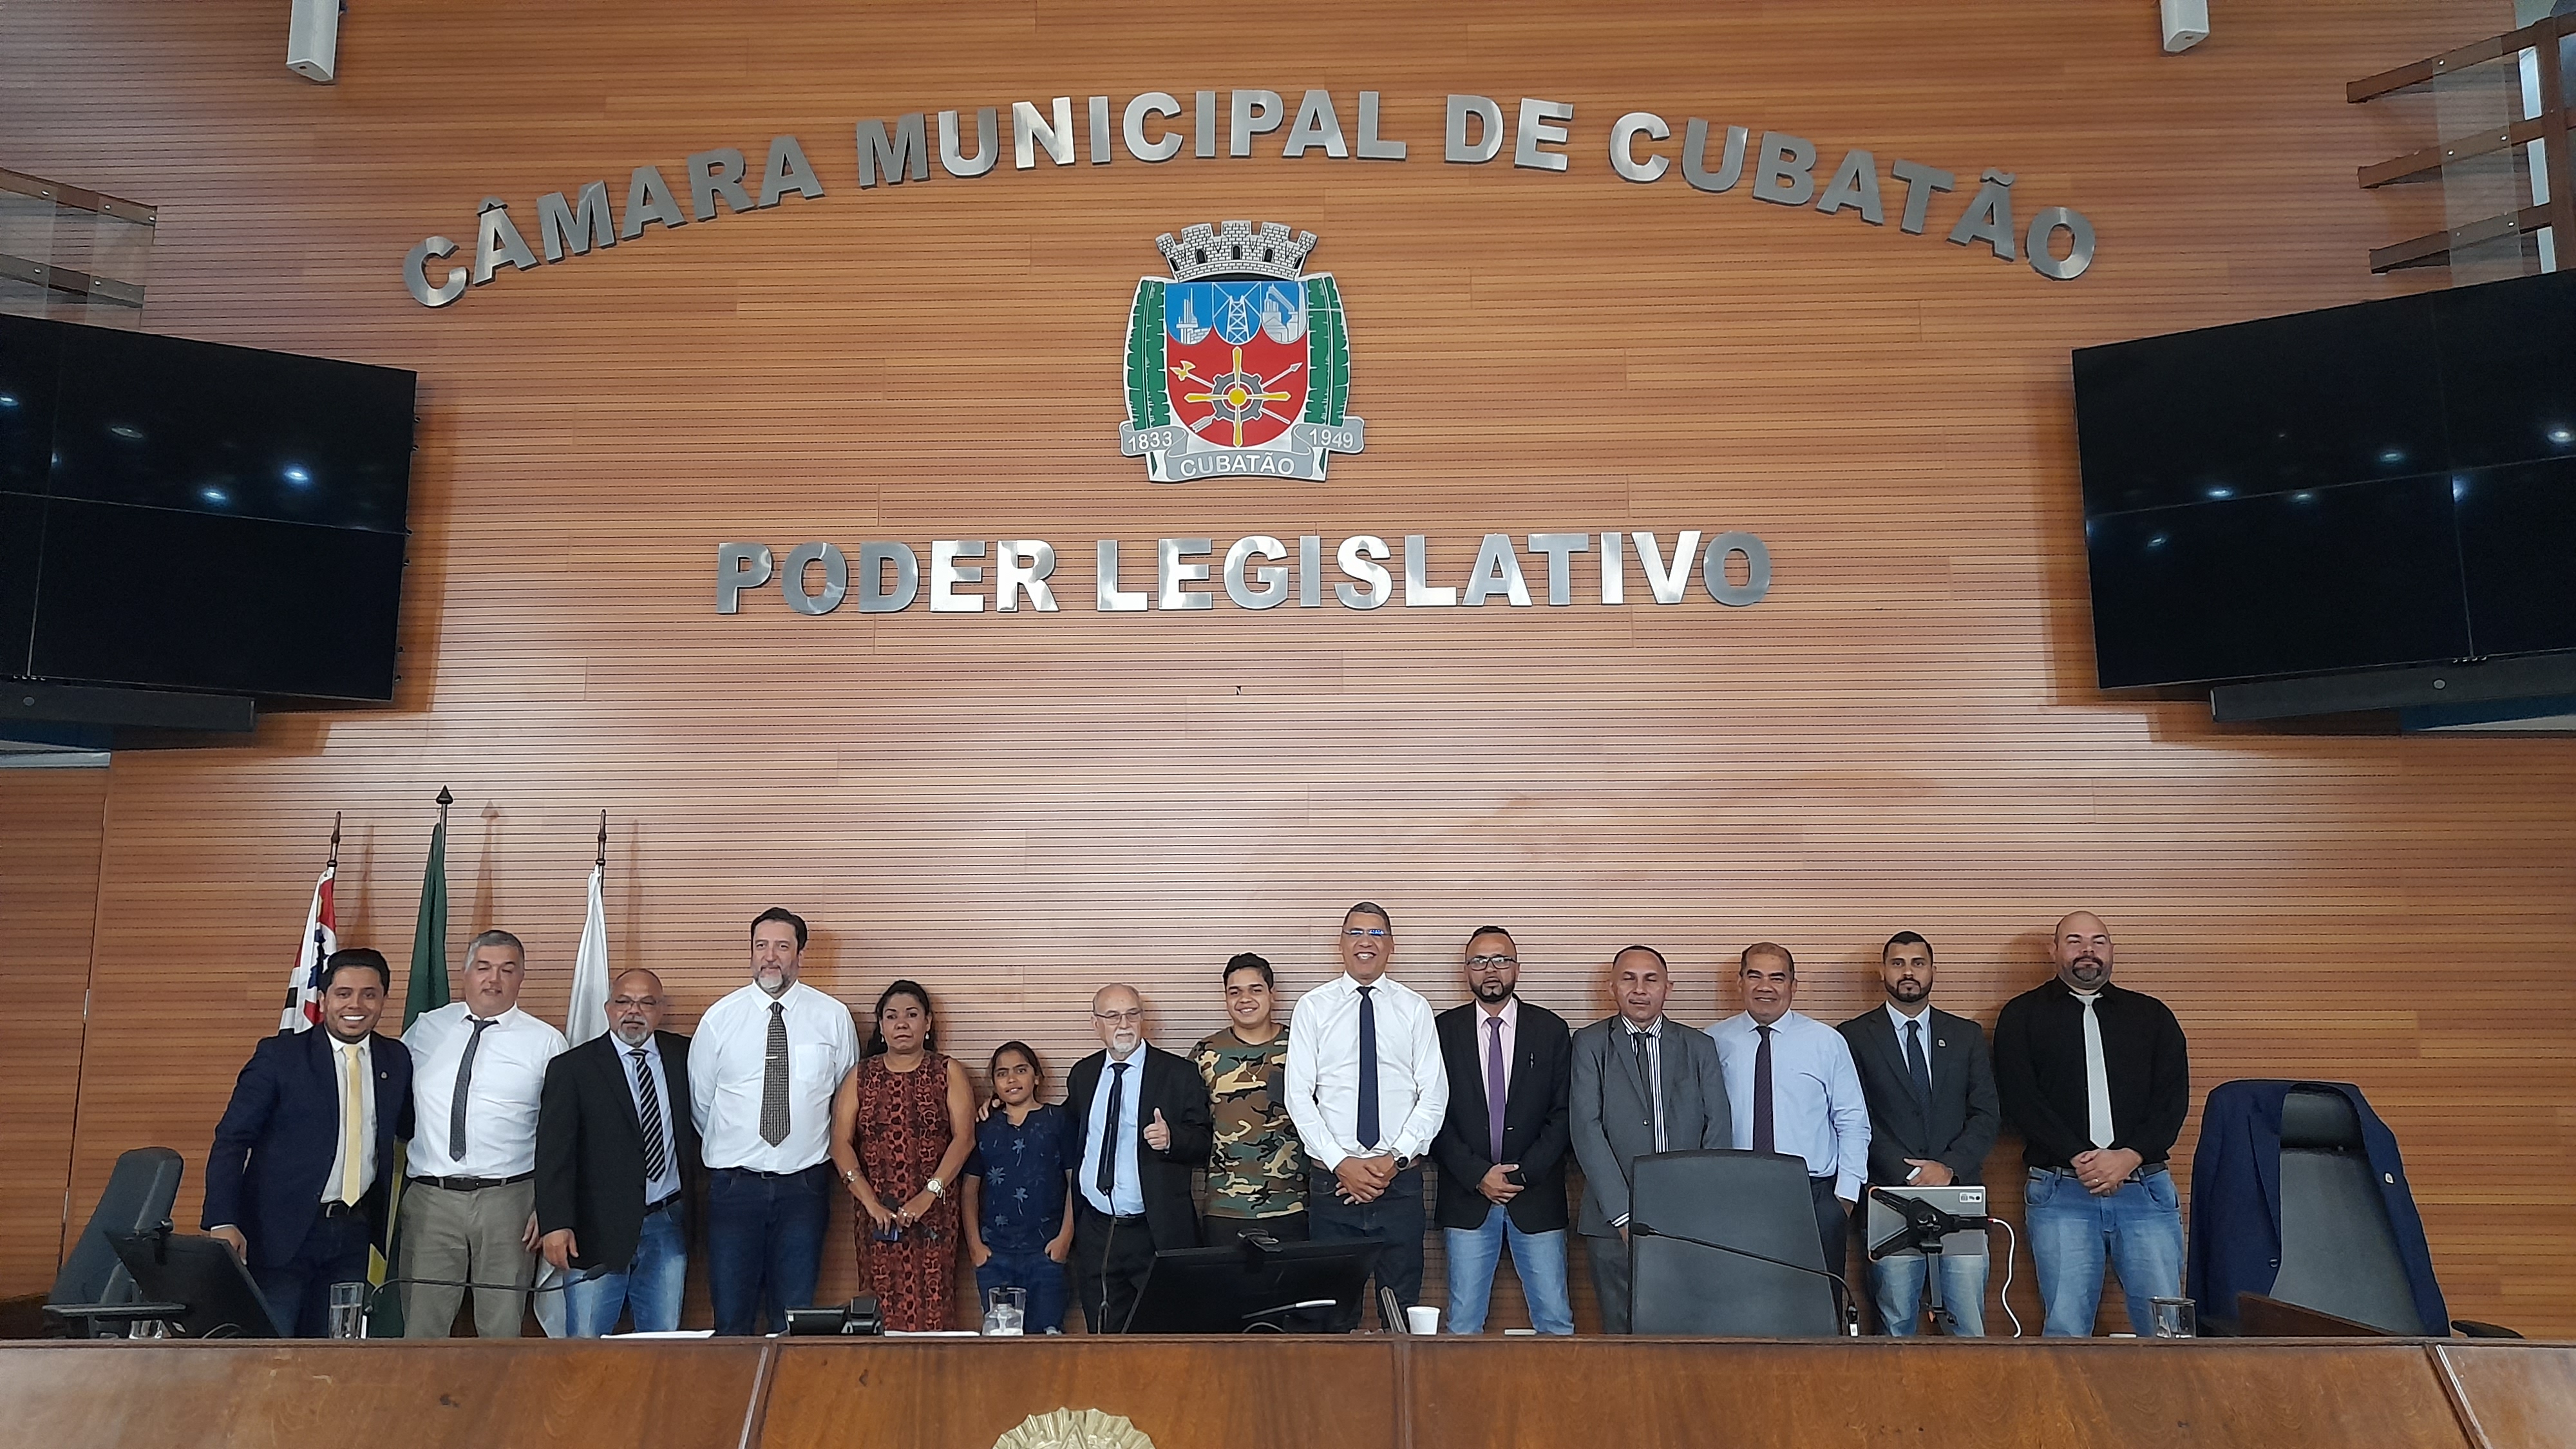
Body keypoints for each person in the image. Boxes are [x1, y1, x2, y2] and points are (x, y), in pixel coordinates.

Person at [1993, 911, 2190, 1337]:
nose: (2088, 950)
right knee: (2065, 1328)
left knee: (2168, 1329)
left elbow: (2172, 1101)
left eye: (2099, 941)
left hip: (2146, 1192)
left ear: (2112, 951)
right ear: (2054, 951)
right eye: (2075, 940)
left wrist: (2128, 1157)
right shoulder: (2021, 1016)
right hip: (2061, 1191)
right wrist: (2082, 1158)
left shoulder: (2153, 1016)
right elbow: (2020, 1101)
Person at [204, 948, 415, 1337]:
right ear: (323, 999)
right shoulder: (279, 1057)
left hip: (354, 1237)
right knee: (269, 1353)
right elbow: (232, 1140)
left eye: (369, 994)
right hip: (279, 1236)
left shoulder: (396, 1059)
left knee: (333, 1355)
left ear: (384, 1000)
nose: (356, 1004)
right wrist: (223, 1220)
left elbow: (408, 1133)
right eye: (344, 993)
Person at [688, 907, 860, 1336]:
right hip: (734, 1188)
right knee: (731, 1317)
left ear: (800, 954)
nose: (770, 956)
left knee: (795, 1319)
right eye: (761, 946)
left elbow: (845, 1102)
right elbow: (701, 1104)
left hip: (803, 1188)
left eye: (782, 946)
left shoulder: (833, 1017)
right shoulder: (720, 1019)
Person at [1285, 901, 1448, 1331]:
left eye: (1376, 934)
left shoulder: (1414, 1008)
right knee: (1330, 1316)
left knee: (1403, 1314)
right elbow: (1299, 1097)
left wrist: (1391, 1162)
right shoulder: (1313, 1007)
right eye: (1356, 932)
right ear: (1341, 944)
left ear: (1391, 946)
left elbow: (1434, 1095)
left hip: (1400, 1186)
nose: (1365, 942)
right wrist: (1344, 1164)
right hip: (1331, 1186)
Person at [400, 929, 569, 1338]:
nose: (494, 979)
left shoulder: (546, 1042)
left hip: (509, 1203)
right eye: (484, 968)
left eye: (507, 970)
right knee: (422, 1331)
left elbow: (561, 1134)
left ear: (521, 977)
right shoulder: (425, 1030)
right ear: (465, 972)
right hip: (430, 1201)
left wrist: (548, 1205)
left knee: (501, 1331)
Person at [1835, 932, 2001, 1335]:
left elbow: (1986, 1114)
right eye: (1898, 963)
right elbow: (1855, 1117)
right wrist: (1908, 1172)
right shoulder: (1853, 1036)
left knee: (1968, 1320)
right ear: (1882, 971)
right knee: (1896, 1319)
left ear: (1932, 971)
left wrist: (1948, 1168)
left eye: (1917, 963)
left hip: (1958, 1194)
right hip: (1890, 1194)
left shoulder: (1965, 1035)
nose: (1908, 972)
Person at [1567, 944, 1730, 1332]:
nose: (1640, 989)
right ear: (1612, 988)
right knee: (1620, 1331)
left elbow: (1718, 1128)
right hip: (1610, 1221)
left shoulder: (1699, 1046)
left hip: (1688, 1218)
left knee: (1688, 1328)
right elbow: (1586, 1129)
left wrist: (1692, 1208)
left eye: (1650, 979)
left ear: (1668, 988)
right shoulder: (1590, 1044)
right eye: (1629, 979)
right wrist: (1623, 1214)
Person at [535, 967, 699, 1336]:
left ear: (660, 1011)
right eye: (623, 1002)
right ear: (608, 1009)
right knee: (587, 1346)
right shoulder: (572, 1069)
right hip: (595, 1230)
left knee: (662, 1344)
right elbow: (554, 1155)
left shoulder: (684, 1057)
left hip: (666, 1225)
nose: (633, 1011)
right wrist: (555, 1222)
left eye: (646, 1003)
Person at [1430, 925, 1574, 1336]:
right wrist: (1478, 1176)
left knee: (1555, 1319)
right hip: (1467, 1195)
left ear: (1517, 967)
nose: (1490, 970)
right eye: (1478, 961)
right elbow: (1432, 1114)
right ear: (1466, 971)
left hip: (1537, 1195)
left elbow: (1564, 1113)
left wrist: (1520, 1175)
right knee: (1463, 1323)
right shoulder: (1443, 1031)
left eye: (1501, 960)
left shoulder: (1550, 1029)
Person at [1710, 942, 1871, 1281]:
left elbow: (1853, 1121)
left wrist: (1845, 1198)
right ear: (1739, 982)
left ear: (1793, 986)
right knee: (1742, 1299)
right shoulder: (1712, 1041)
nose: (1764, 987)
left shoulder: (1825, 1041)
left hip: (1812, 1193)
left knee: (1817, 1307)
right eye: (1754, 976)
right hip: (1735, 1192)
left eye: (1777, 978)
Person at [829, 979, 977, 1332]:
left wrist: (929, 1194)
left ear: (928, 1023)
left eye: (912, 1015)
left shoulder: (947, 1071)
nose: (902, 1024)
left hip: (935, 1215)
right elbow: (839, 1142)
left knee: (934, 1309)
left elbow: (965, 1139)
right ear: (881, 1026)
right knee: (877, 1309)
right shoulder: (860, 1076)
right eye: (892, 1016)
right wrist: (870, 1202)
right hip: (876, 1214)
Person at [1065, 983, 1212, 1332]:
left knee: (1167, 1335)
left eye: (1133, 1014)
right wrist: (996, 1107)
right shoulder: (1083, 1075)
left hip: (1155, 1229)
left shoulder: (1177, 1073)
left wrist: (1172, 1139)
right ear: (1095, 1023)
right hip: (1097, 1229)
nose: (1124, 1024)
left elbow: (1205, 1141)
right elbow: (1069, 1133)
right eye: (1113, 1016)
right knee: (1103, 1336)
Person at [1189, 952, 1307, 1247]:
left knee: (1295, 1294)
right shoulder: (1206, 1053)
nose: (1245, 999)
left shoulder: (1302, 1047)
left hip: (1294, 1205)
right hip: (1225, 1209)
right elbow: (1191, 1126)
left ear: (1272, 994)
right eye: (1235, 992)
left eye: (1255, 989)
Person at [961, 1041, 1077, 1333]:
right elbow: (969, 1191)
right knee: (1002, 1346)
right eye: (1002, 1074)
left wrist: (1065, 1238)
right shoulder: (984, 1127)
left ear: (1037, 1077)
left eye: (1021, 1070)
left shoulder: (1059, 1120)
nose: (1012, 1079)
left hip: (1047, 1250)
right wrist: (976, 1246)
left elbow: (1076, 1184)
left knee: (1048, 1337)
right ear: (994, 1084)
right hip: (994, 1253)